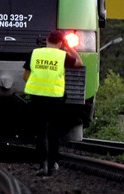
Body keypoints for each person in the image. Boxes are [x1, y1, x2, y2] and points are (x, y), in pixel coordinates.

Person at [24, 29, 83, 176]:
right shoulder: (62, 55)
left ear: (46, 40)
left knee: (41, 131)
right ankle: (51, 165)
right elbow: (79, 63)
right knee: (54, 132)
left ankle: (42, 165)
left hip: (37, 98)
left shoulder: (35, 53)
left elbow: (25, 76)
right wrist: (70, 48)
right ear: (60, 43)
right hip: (56, 99)